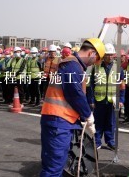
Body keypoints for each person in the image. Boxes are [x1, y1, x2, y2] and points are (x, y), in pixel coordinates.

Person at [40, 38, 105, 176]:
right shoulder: (72, 66)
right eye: (96, 59)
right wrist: (88, 115)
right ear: (91, 53)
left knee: (54, 164)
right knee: (53, 167)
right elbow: (74, 93)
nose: (94, 63)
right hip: (58, 122)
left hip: (58, 120)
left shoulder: (72, 64)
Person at [89, 43, 125, 150]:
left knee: (111, 123)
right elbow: (91, 85)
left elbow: (122, 86)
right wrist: (91, 100)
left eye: (111, 54)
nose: (109, 57)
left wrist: (121, 100)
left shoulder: (118, 68)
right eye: (107, 54)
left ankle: (110, 141)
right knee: (98, 122)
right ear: (103, 55)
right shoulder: (96, 67)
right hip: (99, 100)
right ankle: (97, 141)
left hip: (112, 101)